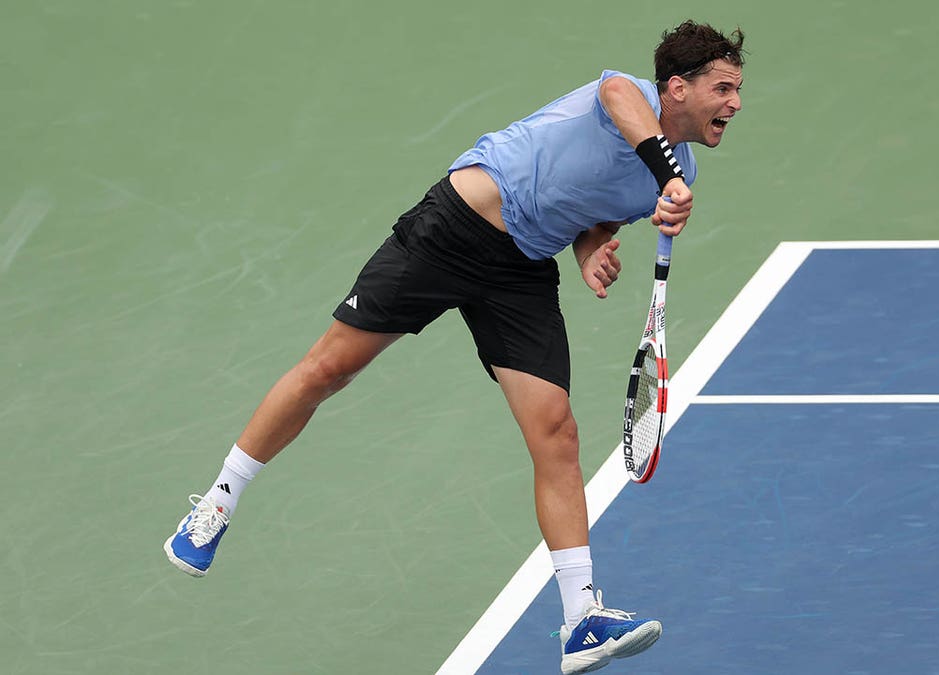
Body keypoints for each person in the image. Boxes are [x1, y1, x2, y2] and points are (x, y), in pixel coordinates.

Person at [163, 19, 744, 674]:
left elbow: (595, 218)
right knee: (329, 367)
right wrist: (667, 176)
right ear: (676, 87)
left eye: (737, 90)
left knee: (557, 432)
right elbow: (621, 107)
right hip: (457, 225)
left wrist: (591, 256)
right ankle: (217, 502)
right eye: (723, 88)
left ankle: (581, 618)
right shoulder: (625, 94)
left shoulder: (676, 171)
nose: (735, 103)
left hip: (520, 271)